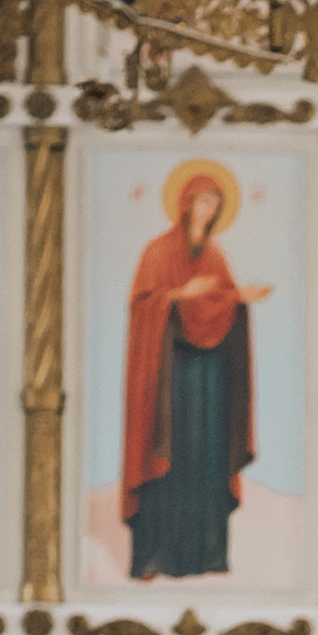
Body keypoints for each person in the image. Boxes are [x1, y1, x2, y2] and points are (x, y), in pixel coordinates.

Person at [120, 163, 268, 580]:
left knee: (206, 457)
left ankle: (208, 554)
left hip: (209, 376)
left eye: (215, 202)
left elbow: (219, 304)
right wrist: (180, 295)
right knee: (165, 455)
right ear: (185, 203)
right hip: (170, 377)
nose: (209, 208)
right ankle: (152, 558)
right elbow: (142, 307)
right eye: (203, 199)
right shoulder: (157, 252)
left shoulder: (216, 254)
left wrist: (240, 298)